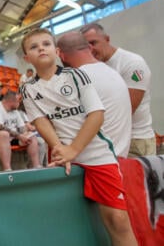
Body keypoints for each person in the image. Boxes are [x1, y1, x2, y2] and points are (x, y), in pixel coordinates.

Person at [20, 28, 137, 246]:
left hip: (96, 155)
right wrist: (60, 149)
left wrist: (73, 149)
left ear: (56, 51)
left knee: (118, 220)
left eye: (46, 44)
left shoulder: (76, 75)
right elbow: (41, 121)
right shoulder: (27, 89)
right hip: (64, 158)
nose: (41, 49)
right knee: (68, 221)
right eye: (34, 47)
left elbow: (96, 115)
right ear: (27, 58)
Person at [80, 23, 155, 157]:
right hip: (109, 141)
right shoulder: (91, 68)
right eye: (86, 46)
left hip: (135, 140)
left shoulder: (133, 64)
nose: (90, 49)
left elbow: (127, 109)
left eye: (93, 43)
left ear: (107, 39)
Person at [57, 31, 132, 158]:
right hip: (120, 157)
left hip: (95, 162)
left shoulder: (74, 78)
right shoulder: (113, 73)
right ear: (90, 48)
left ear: (61, 55)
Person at [0, 91, 42, 171]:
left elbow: (22, 128)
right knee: (4, 134)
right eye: (18, 101)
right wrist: (20, 136)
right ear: (11, 101)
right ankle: (7, 169)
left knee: (31, 136)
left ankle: (36, 166)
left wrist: (27, 132)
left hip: (11, 137)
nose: (19, 103)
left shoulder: (15, 111)